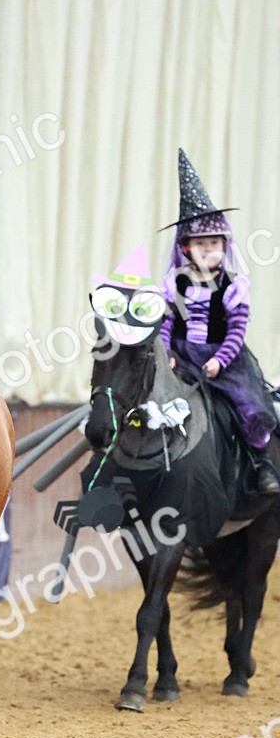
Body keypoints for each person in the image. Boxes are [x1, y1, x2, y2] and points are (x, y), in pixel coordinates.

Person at [159, 149, 279, 495]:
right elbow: (167, 324)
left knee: (249, 406)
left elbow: (237, 331)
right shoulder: (175, 282)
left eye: (215, 244)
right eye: (202, 244)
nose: (210, 250)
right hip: (181, 357)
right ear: (185, 248)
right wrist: (167, 352)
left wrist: (219, 360)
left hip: (222, 361)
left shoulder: (232, 286)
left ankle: (261, 465)